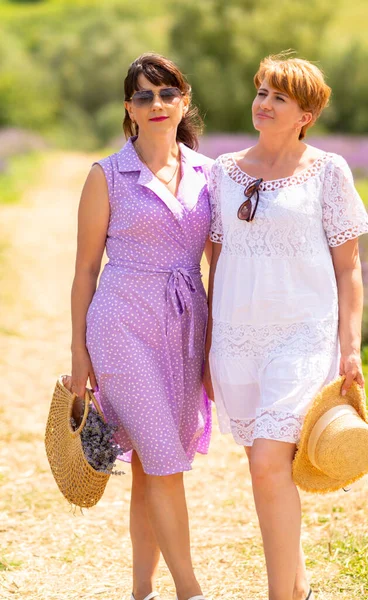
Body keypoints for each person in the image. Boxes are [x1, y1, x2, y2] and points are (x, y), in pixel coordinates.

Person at [204, 53, 368, 600]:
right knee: (268, 469)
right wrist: (207, 344)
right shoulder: (223, 172)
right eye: (261, 92)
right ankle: (298, 588)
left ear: (306, 113)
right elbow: (214, 262)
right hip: (236, 337)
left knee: (268, 462)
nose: (264, 103)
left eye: (280, 96)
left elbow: (349, 271)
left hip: (302, 335)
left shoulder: (328, 171)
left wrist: (351, 349)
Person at [70, 53, 212, 600]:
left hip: (185, 329)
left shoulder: (210, 174)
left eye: (166, 93)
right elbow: (84, 271)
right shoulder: (106, 175)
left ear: (185, 101)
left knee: (155, 468)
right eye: (144, 96)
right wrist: (80, 359)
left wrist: (215, 348)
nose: (156, 104)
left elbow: (222, 265)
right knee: (164, 461)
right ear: (129, 108)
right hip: (122, 326)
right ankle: (190, 591)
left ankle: (140, 591)